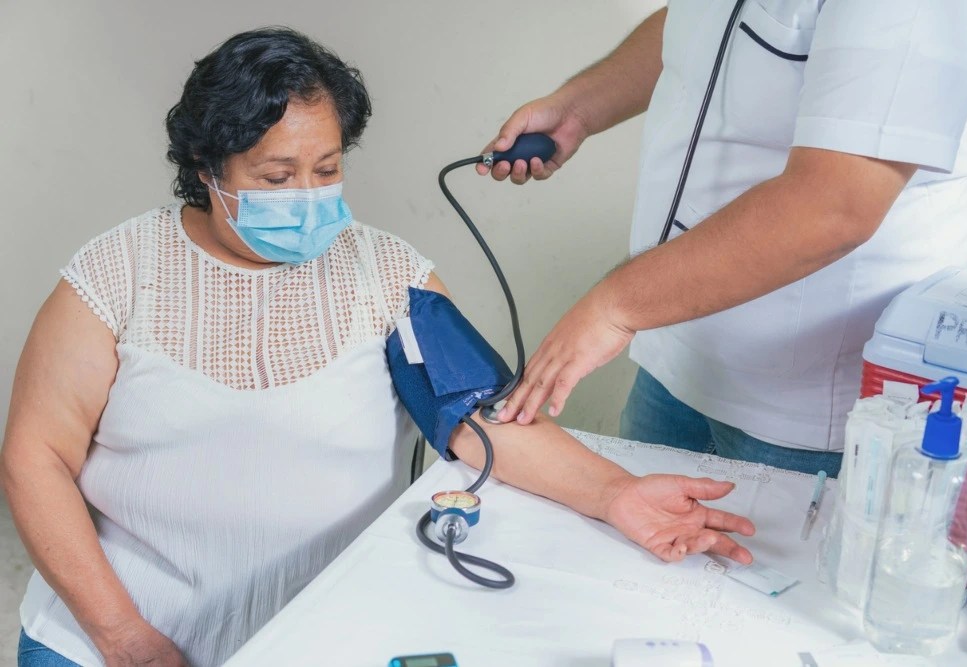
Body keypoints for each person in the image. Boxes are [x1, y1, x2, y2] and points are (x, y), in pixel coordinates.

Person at [0, 27, 755, 667]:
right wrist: (123, 635)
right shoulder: (115, 275)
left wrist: (615, 492)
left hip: (322, 632)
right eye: (275, 175)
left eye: (326, 169)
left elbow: (479, 417)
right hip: (107, 636)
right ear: (207, 171)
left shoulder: (386, 274)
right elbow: (36, 455)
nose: (306, 195)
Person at [478, 1, 967, 476]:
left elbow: (834, 207)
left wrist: (614, 308)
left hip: (817, 410)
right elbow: (705, 26)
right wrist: (580, 108)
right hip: (677, 349)